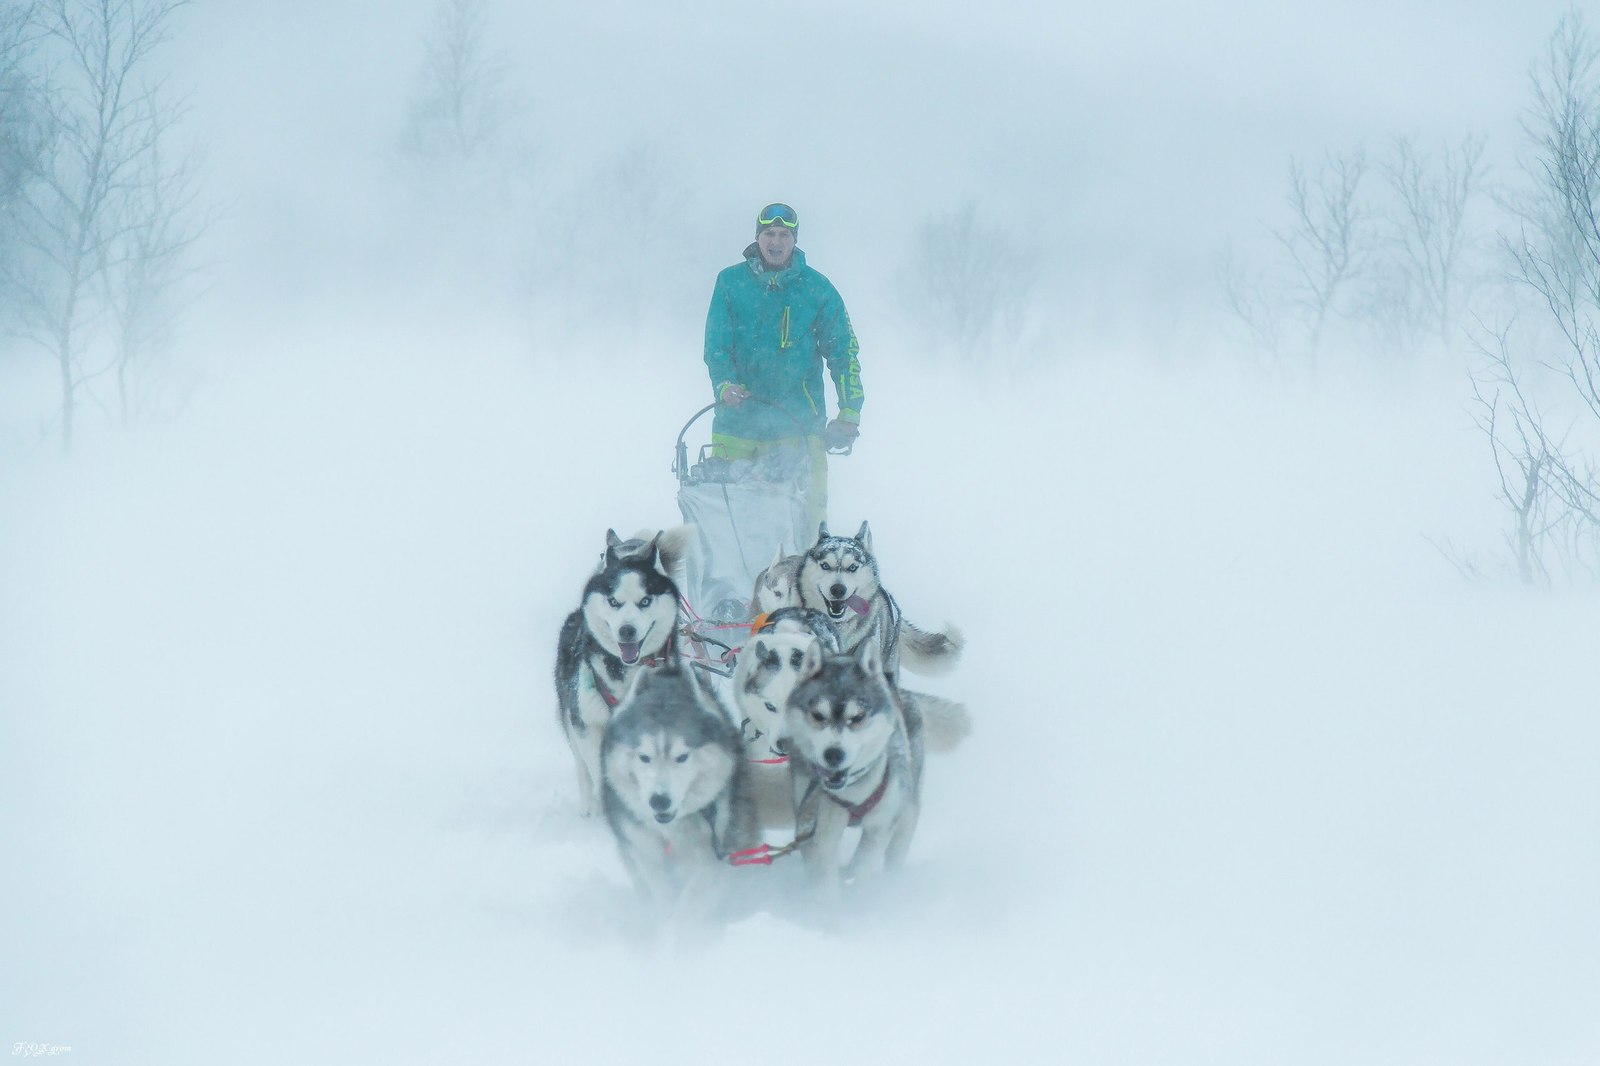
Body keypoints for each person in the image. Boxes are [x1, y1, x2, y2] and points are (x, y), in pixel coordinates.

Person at [703, 202, 862, 533]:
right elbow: (716, 348)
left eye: (784, 235)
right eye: (769, 234)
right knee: (728, 527)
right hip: (735, 430)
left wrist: (849, 411)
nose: (776, 242)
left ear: (795, 240)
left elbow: (843, 352)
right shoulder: (730, 283)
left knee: (806, 528)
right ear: (758, 239)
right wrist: (724, 385)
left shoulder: (818, 289)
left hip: (799, 429)